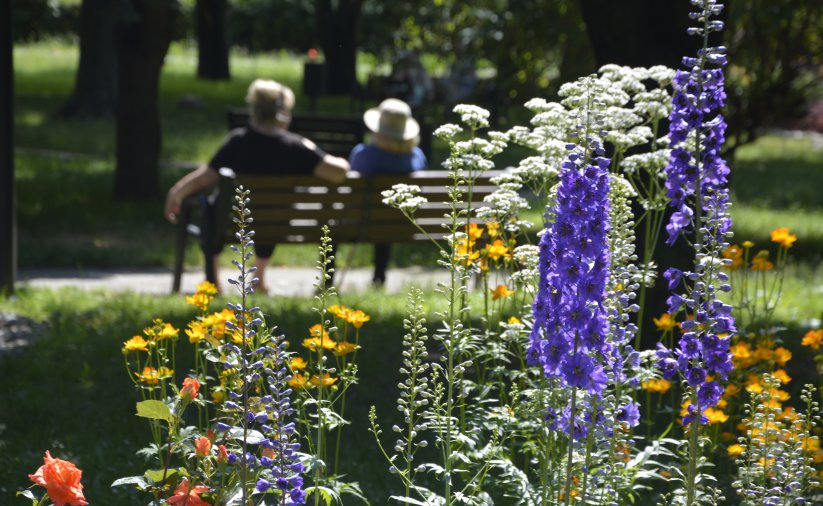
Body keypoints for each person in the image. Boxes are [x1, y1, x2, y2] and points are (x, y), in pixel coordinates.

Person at [165, 79, 350, 293]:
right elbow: (338, 173)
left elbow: (204, 178)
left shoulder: (237, 142)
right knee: (274, 210)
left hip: (234, 224)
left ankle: (213, 281)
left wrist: (176, 192)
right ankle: (259, 279)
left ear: (254, 109)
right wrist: (315, 149)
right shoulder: (296, 147)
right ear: (282, 112)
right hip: (279, 224)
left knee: (214, 210)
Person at [349, 98, 427, 286]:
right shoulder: (416, 158)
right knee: (386, 218)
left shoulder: (363, 155)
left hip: (360, 221)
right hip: (401, 222)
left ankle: (328, 283)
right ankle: (379, 276)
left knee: (370, 216)